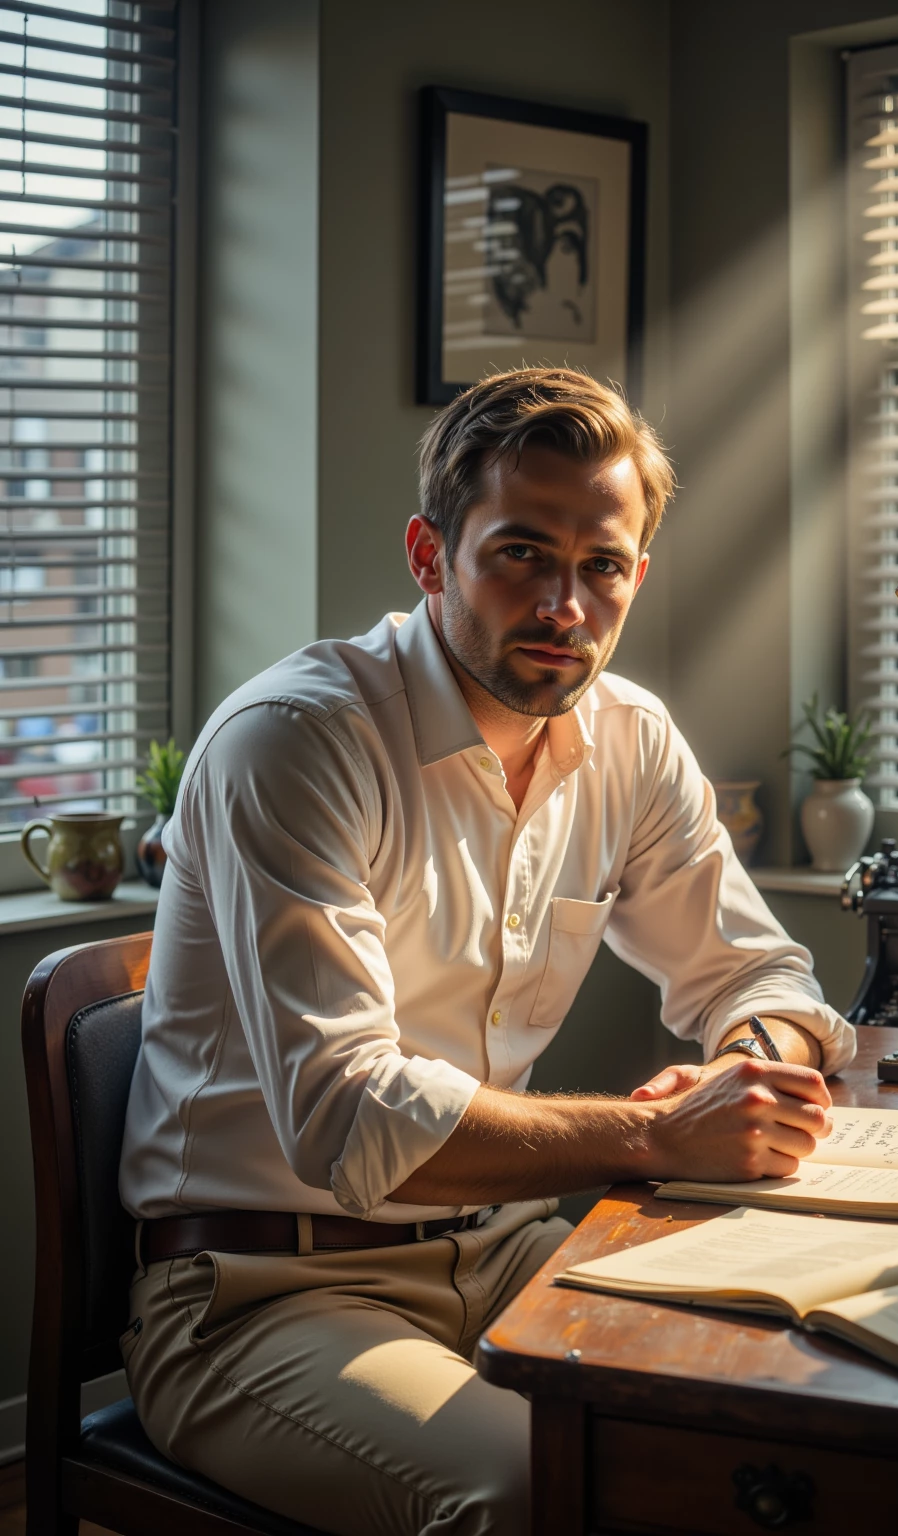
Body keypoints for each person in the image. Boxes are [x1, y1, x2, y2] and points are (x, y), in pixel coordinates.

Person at [119, 367, 854, 1536]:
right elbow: (353, 1120)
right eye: (521, 553)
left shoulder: (628, 740)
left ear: (636, 578)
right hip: (266, 1296)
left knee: (764, 1417)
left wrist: (747, 1070)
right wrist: (657, 1133)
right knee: (539, 1496)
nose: (566, 604)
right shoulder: (297, 742)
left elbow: (760, 976)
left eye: (602, 565)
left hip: (504, 1254)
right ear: (428, 554)